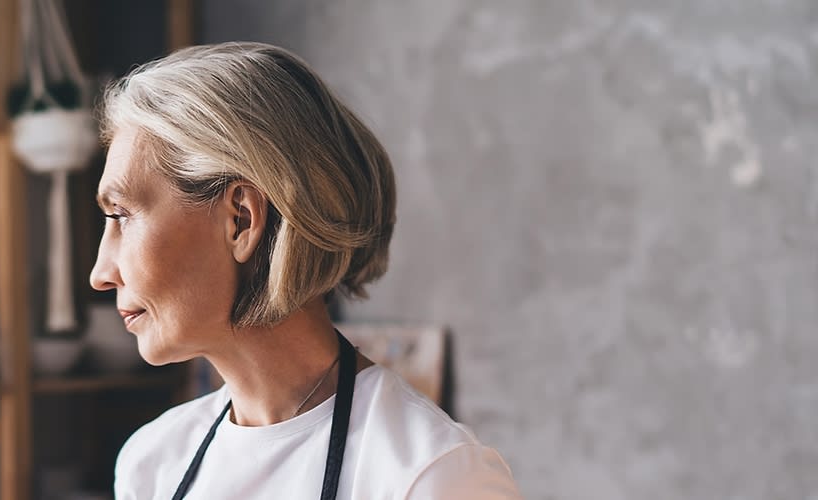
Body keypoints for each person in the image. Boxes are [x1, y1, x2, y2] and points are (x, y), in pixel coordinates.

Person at [90, 41, 521, 499]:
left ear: (242, 220)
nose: (100, 272)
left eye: (121, 215)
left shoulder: (431, 476)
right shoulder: (153, 462)